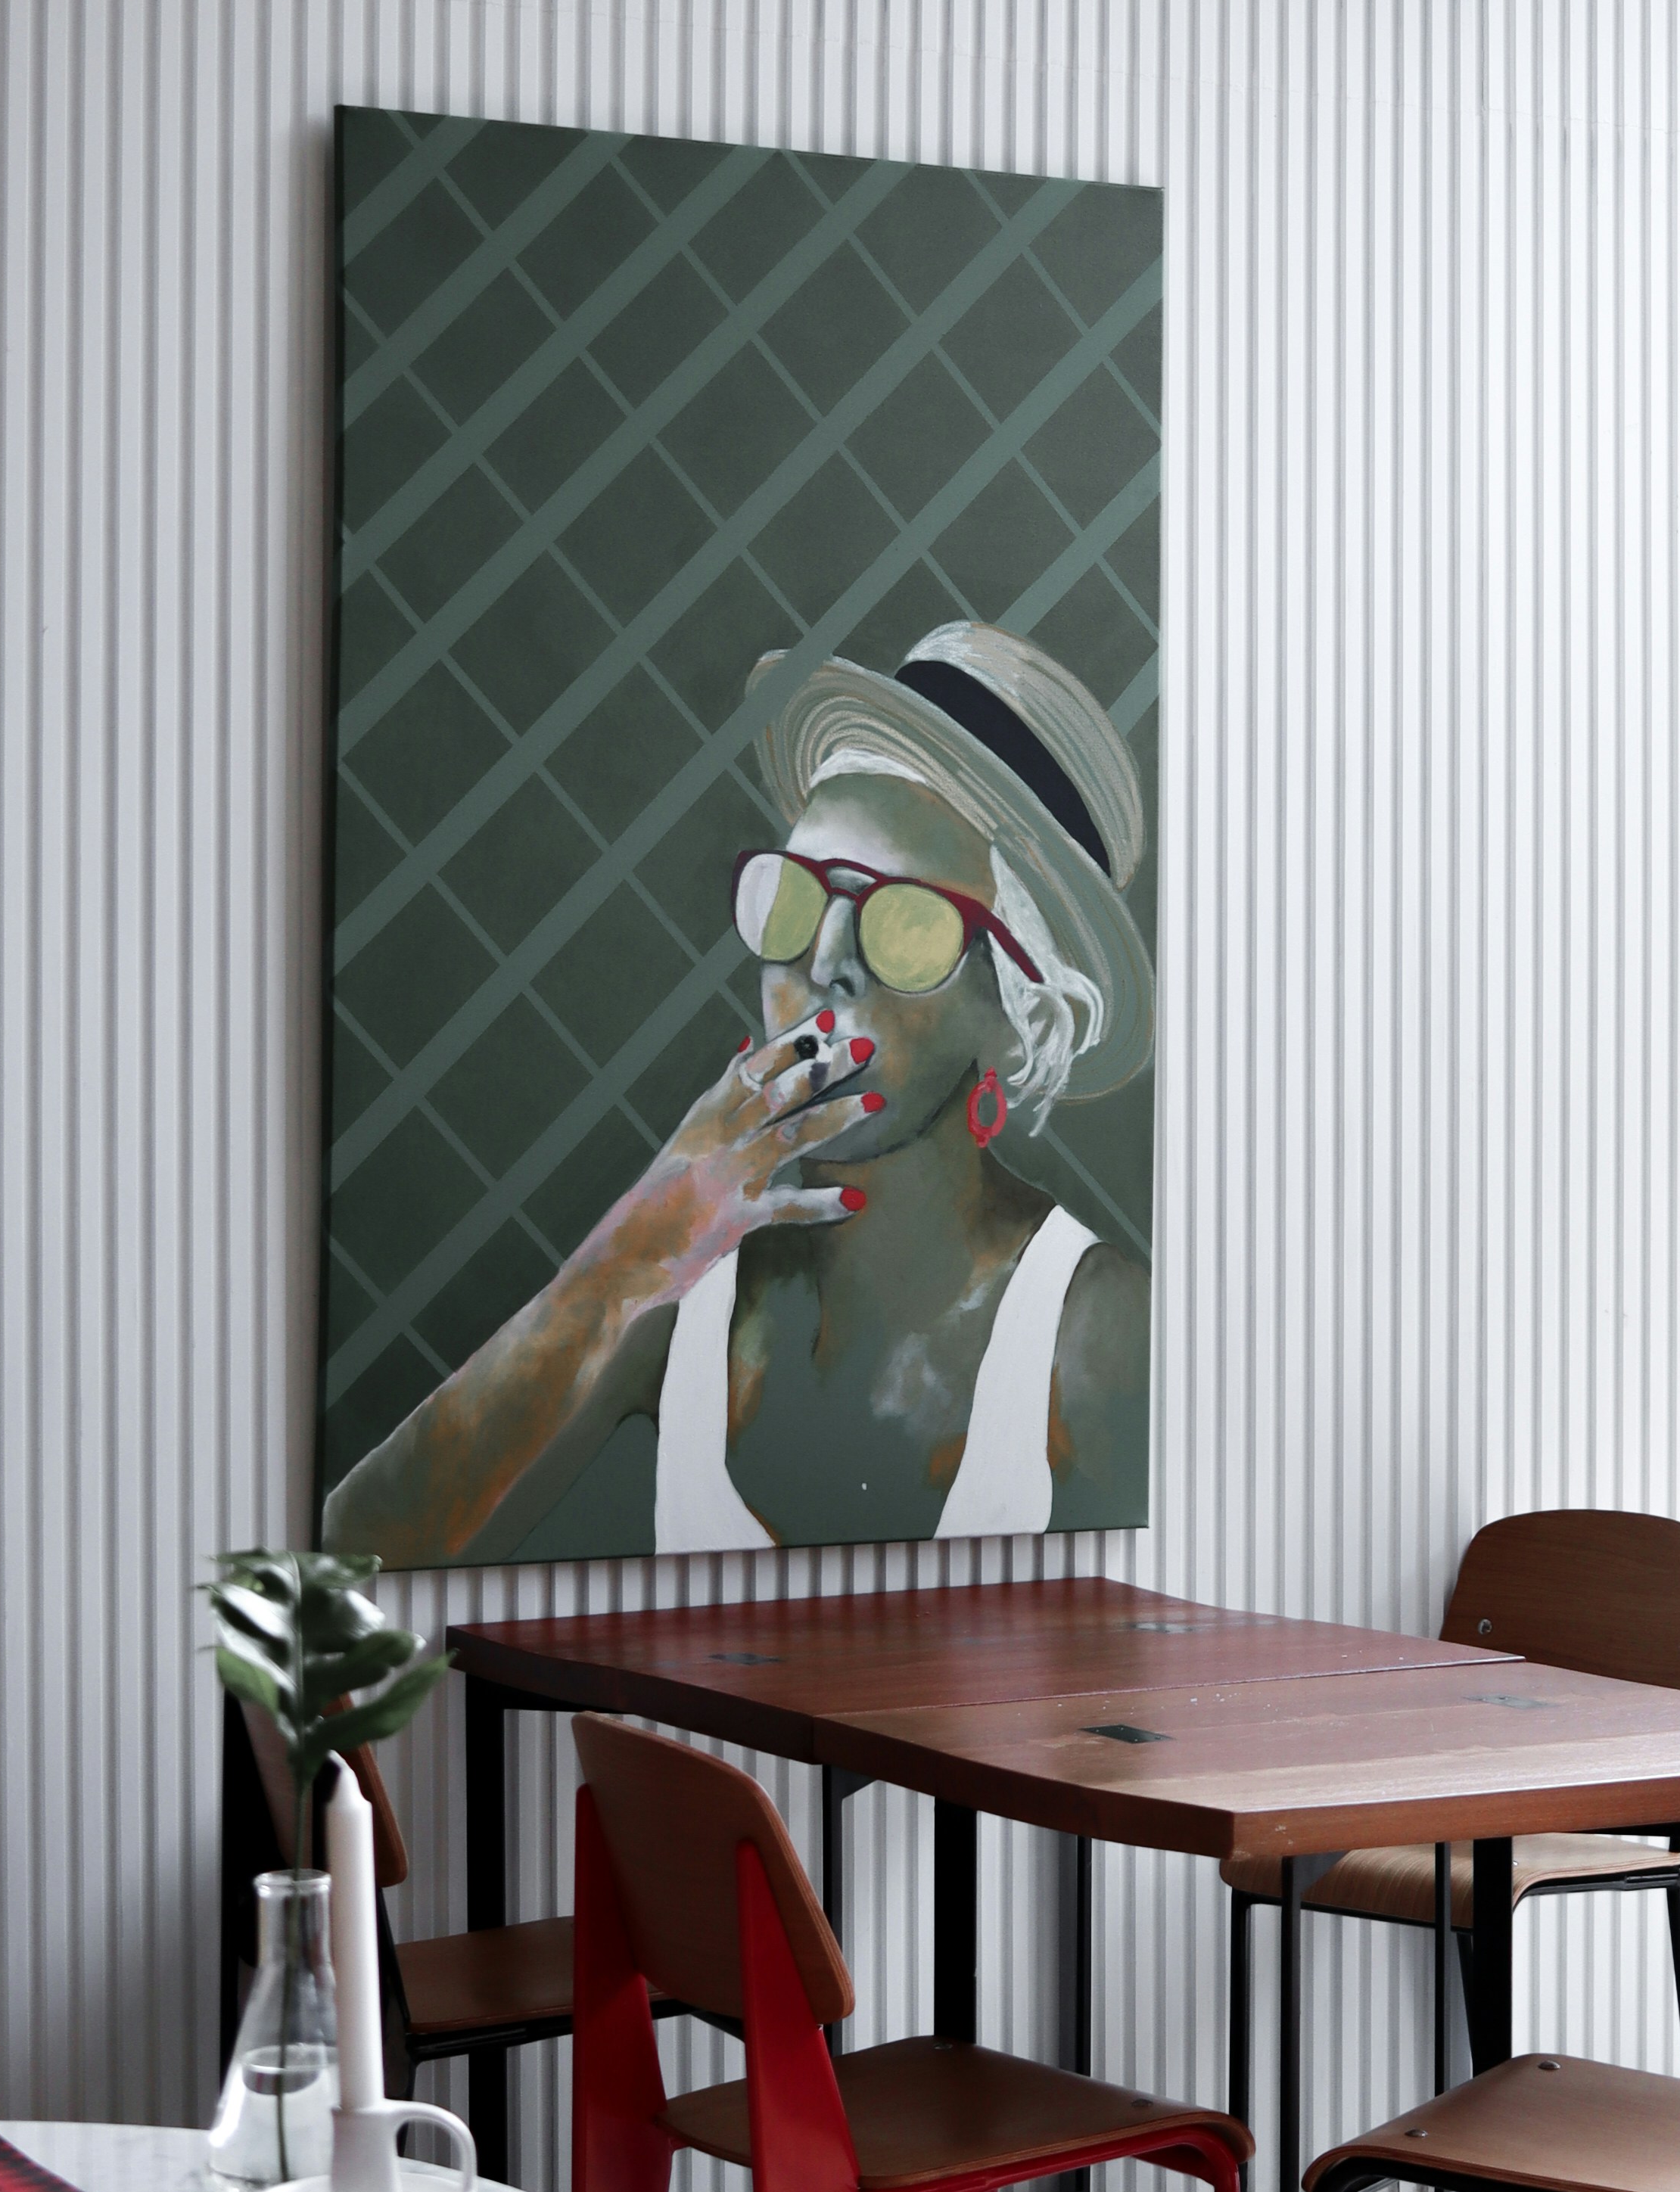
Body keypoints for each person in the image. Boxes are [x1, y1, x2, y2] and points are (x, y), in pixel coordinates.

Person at [321, 619, 1153, 1559]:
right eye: (795, 897)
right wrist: (622, 1262)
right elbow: (364, 1554)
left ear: (1015, 1018)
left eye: (906, 924)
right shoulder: (683, 1276)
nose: (823, 959)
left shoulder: (1103, 1330)